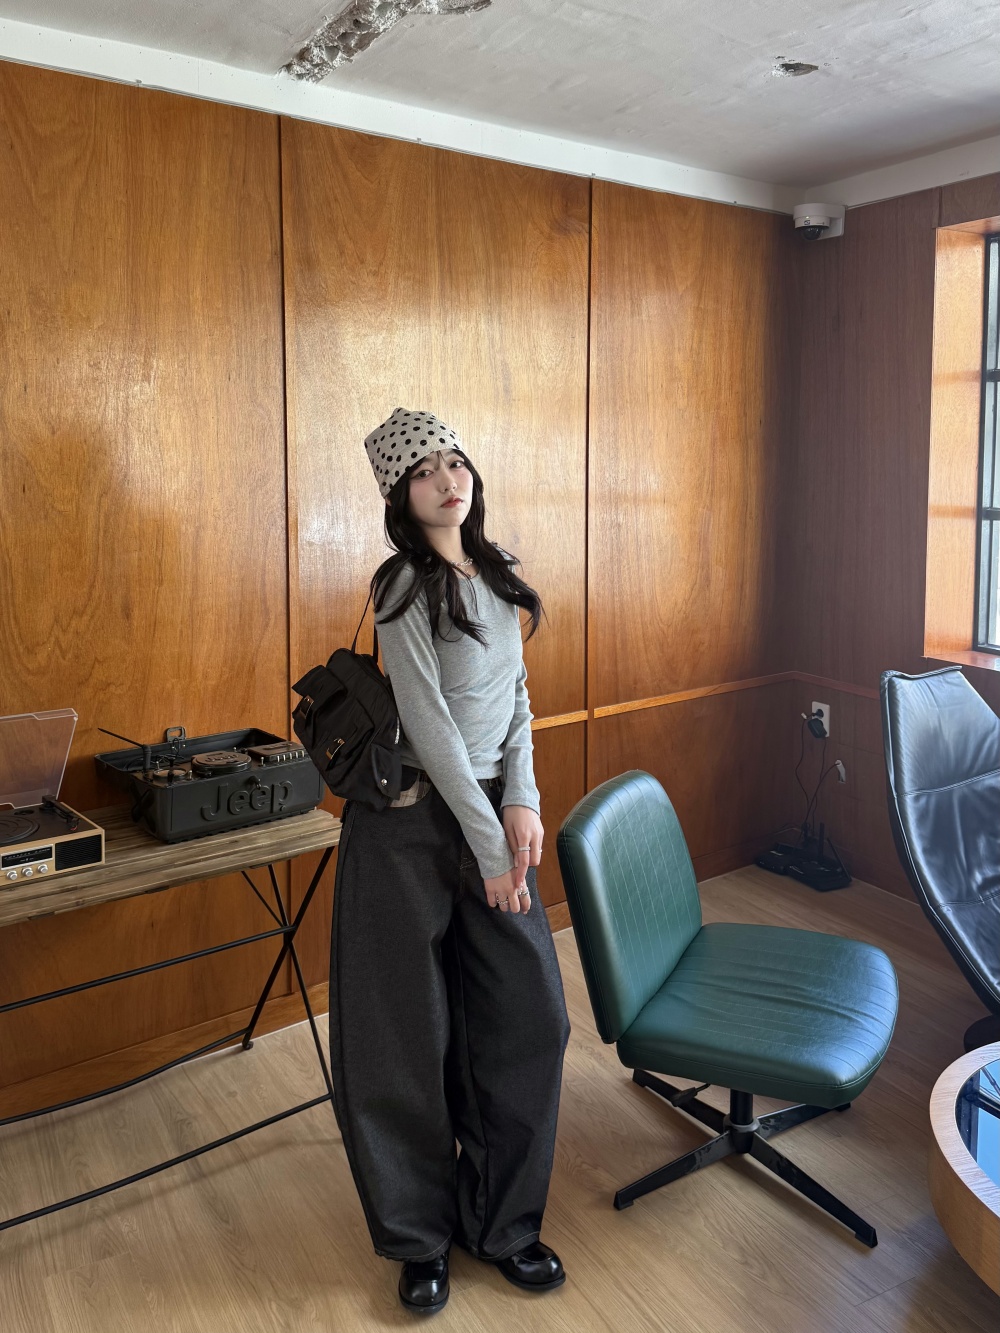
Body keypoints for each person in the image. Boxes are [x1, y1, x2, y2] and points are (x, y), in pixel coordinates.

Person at [328, 407, 571, 1316]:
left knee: (528, 1018)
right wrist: (492, 843)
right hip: (406, 827)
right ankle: (419, 1236)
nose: (446, 479)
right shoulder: (401, 584)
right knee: (401, 1034)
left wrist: (524, 799)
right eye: (424, 470)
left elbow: (517, 699)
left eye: (454, 461)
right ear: (401, 494)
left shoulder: (495, 573)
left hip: (490, 818)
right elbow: (429, 728)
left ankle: (501, 1222)